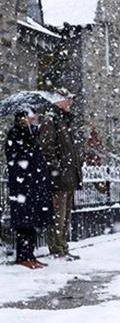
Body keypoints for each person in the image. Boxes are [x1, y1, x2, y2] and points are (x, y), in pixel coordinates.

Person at [5, 109, 53, 269]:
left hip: (32, 184)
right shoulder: (15, 134)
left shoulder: (32, 134)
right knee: (24, 221)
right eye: (29, 116)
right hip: (22, 185)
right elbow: (15, 157)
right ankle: (23, 255)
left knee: (32, 220)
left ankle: (30, 254)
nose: (32, 118)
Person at [39, 89, 82, 261]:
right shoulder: (51, 121)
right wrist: (56, 171)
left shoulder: (64, 121)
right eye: (67, 99)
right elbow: (47, 149)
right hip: (59, 178)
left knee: (66, 217)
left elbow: (70, 151)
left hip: (69, 177)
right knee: (58, 216)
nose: (70, 102)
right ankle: (57, 249)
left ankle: (63, 247)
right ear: (58, 101)